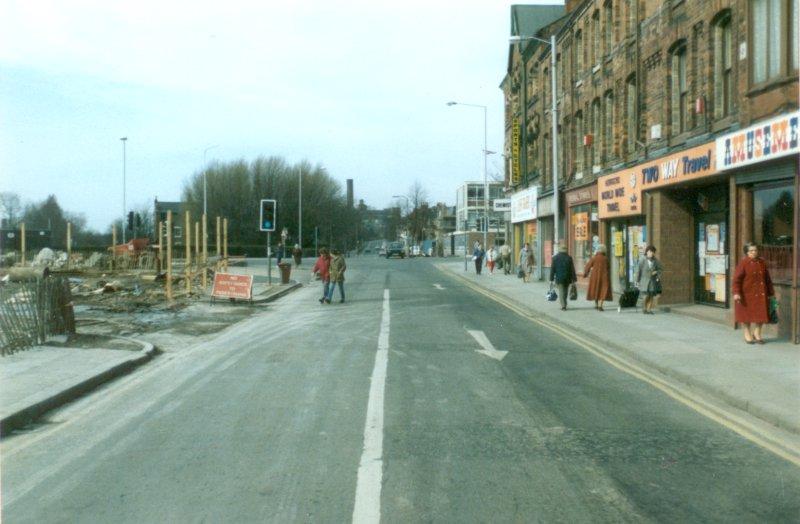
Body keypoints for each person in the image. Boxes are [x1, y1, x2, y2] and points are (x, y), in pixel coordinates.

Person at [733, 242, 774, 344]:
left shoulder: (762, 263)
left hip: (761, 294)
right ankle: (747, 334)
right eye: (751, 251)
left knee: (761, 315)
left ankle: (757, 333)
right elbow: (736, 280)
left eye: (755, 250)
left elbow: (767, 279)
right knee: (746, 316)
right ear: (747, 252)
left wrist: (771, 293)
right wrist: (736, 293)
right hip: (746, 295)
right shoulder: (743, 263)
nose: (754, 252)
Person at [635, 245, 664, 314]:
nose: (651, 253)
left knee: (651, 295)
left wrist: (656, 273)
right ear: (647, 252)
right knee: (645, 296)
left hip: (652, 281)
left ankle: (649, 309)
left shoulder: (656, 261)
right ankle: (644, 308)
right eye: (650, 251)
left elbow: (660, 269)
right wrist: (637, 280)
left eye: (653, 252)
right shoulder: (642, 260)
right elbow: (638, 271)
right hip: (644, 280)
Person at [584, 244, 613, 311]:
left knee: (596, 289)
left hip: (595, 277)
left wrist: (585, 274)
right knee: (603, 290)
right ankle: (600, 305)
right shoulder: (605, 259)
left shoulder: (594, 258)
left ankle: (596, 304)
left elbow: (588, 266)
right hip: (604, 277)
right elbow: (608, 267)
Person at [550, 243, 577, 311]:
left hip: (559, 277)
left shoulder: (555, 258)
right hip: (567, 277)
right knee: (565, 291)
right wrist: (574, 278)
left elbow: (552, 269)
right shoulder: (569, 258)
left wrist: (551, 279)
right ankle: (564, 304)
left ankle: (563, 305)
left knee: (561, 291)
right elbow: (572, 269)